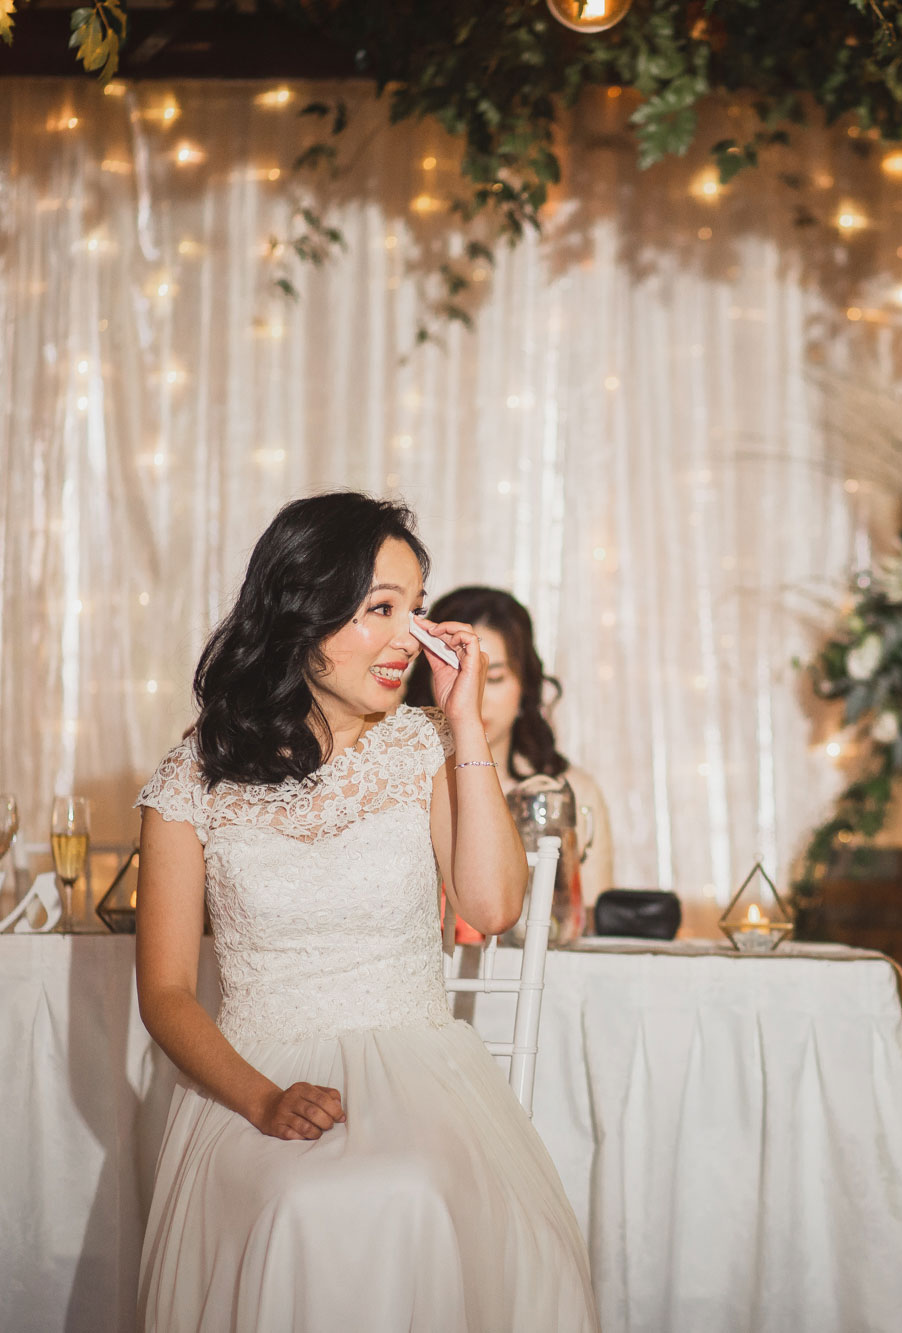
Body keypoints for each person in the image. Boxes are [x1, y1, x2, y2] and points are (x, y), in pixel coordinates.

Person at [131, 492, 598, 1331]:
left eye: (414, 610)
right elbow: (164, 992)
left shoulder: (424, 746)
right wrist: (263, 1099)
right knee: (299, 1204)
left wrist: (464, 727)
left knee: (406, 1188)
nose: (406, 639)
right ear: (300, 612)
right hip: (252, 1085)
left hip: (417, 1075)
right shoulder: (190, 777)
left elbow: (491, 906)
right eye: (380, 609)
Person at [405, 586, 615, 910]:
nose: (474, 694)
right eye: (459, 673)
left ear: (525, 687)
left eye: (495, 678)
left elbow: (588, 920)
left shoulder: (574, 792)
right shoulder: (400, 781)